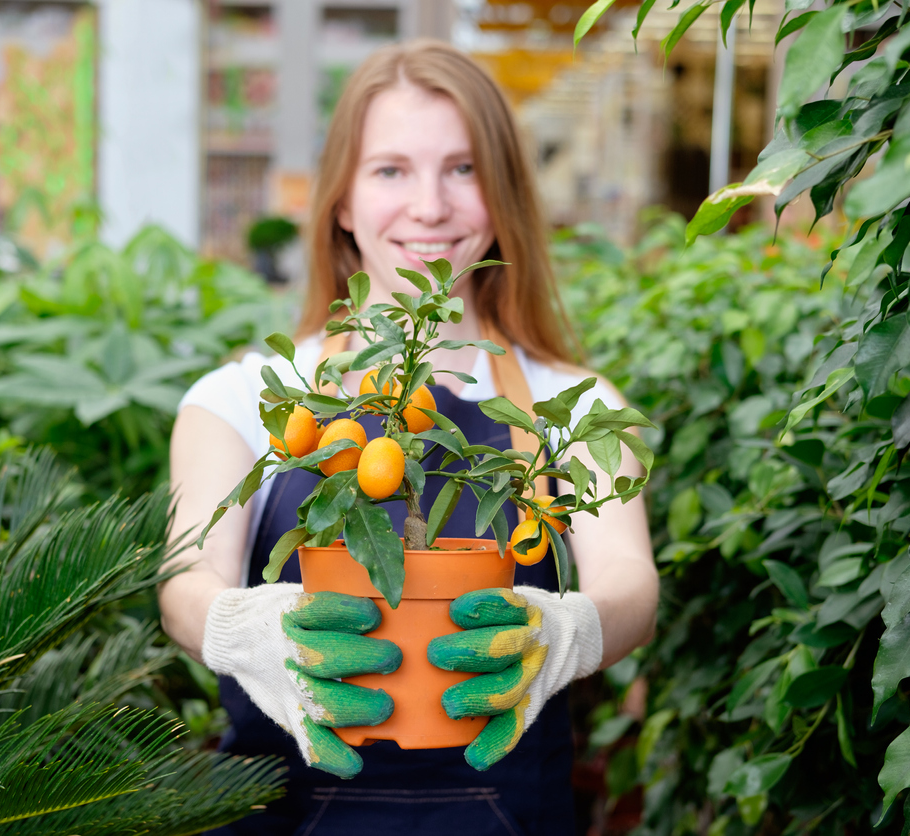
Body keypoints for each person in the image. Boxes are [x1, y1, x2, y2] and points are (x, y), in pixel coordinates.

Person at [159, 40, 658, 836]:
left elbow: (631, 579)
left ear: (502, 197)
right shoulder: (244, 399)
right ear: (343, 203)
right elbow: (184, 583)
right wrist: (238, 628)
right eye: (391, 170)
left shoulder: (571, 403)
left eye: (462, 170)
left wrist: (572, 629)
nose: (430, 206)